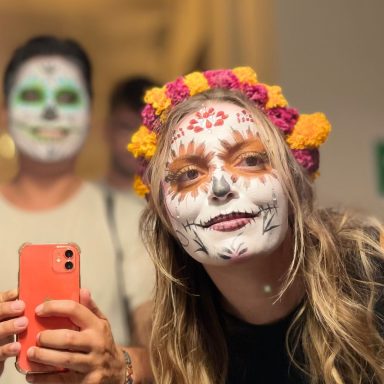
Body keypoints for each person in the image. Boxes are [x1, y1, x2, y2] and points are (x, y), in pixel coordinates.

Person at [126, 67, 384, 383]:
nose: (221, 187)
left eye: (250, 160)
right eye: (190, 175)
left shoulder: (373, 276)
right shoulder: (179, 337)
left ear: (293, 182)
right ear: (164, 213)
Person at [0, 36, 154, 383]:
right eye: (32, 96)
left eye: (67, 98)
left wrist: (120, 363)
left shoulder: (132, 220)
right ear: (5, 113)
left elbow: (166, 349)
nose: (51, 111)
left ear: (88, 115)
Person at [104, 76, 156, 192]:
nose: (138, 141)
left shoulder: (174, 205)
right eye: (127, 128)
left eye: (149, 130)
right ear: (108, 129)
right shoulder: (84, 201)